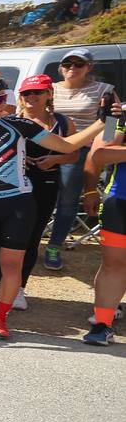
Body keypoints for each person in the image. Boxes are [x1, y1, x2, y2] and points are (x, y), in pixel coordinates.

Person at [0, 75, 105, 338]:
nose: (2, 103)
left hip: (18, 204)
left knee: (11, 264)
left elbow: (67, 146)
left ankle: (0, 320)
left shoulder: (19, 125)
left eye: (4, 97)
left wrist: (102, 121)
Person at [0, 75, 73, 310]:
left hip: (46, 183)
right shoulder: (10, 121)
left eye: (37, 92)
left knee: (32, 236)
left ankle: (19, 288)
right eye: (26, 93)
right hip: (13, 184)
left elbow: (74, 154)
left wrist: (53, 158)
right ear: (20, 97)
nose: (31, 97)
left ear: (49, 94)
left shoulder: (63, 123)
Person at [44, 49, 115, 269]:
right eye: (67, 64)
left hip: (82, 151)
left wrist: (104, 147)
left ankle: (54, 247)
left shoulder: (103, 90)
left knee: (68, 201)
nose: (72, 68)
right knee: (38, 197)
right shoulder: (50, 89)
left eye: (78, 64)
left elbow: (111, 120)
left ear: (89, 67)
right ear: (60, 67)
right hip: (48, 146)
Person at [84, 125, 126, 344]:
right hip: (119, 202)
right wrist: (90, 191)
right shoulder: (115, 116)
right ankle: (102, 324)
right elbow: (99, 153)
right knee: (113, 265)